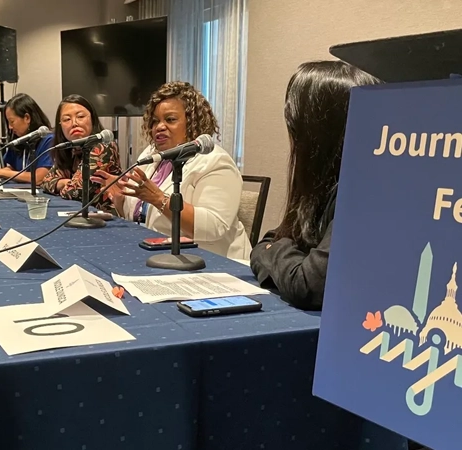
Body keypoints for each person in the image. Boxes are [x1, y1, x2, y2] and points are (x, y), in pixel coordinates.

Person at [250, 61, 380, 309]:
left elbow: (307, 285)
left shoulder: (364, 193)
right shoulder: (326, 186)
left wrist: (274, 256)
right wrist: (280, 257)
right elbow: (269, 241)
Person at [92, 81, 251, 260]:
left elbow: (214, 227)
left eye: (170, 120)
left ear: (192, 122)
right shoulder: (152, 155)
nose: (159, 127)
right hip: (155, 255)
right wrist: (121, 198)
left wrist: (159, 199)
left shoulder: (215, 161)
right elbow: (139, 219)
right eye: (155, 121)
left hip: (210, 263)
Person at [40, 94, 122, 210]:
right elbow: (46, 182)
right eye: (67, 119)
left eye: (80, 116)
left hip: (105, 218)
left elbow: (77, 192)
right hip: (75, 212)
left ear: (92, 119)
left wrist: (62, 184)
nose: (74, 123)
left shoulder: (104, 146)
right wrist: (66, 183)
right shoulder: (71, 148)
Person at [0, 93, 54, 185]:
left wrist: (2, 172)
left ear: (27, 118)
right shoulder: (18, 139)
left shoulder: (48, 140)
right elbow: (12, 168)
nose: (10, 127)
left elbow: (39, 178)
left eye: (12, 122)